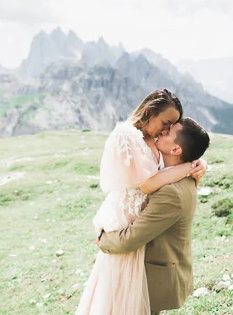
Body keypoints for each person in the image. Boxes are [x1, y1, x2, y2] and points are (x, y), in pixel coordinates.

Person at [75, 89, 207, 315]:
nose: (166, 130)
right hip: (127, 220)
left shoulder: (157, 142)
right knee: (114, 297)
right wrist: (188, 166)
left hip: (141, 231)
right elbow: (146, 185)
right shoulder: (127, 136)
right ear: (149, 112)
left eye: (171, 125)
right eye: (166, 123)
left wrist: (196, 163)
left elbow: (171, 160)